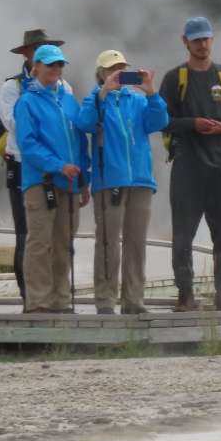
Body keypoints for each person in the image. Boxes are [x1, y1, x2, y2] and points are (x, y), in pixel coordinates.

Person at [159, 17, 221, 311]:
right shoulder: (174, 79)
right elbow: (163, 121)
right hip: (187, 165)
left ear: (213, 39)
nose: (202, 44)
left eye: (206, 39)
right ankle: (185, 295)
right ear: (185, 41)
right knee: (183, 235)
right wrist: (193, 123)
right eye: (196, 40)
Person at [76, 51, 169, 315]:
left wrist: (152, 92)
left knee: (136, 243)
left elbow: (160, 121)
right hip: (110, 180)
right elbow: (85, 123)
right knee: (107, 242)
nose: (118, 74)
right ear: (101, 74)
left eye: (121, 69)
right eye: (112, 69)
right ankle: (105, 301)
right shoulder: (94, 98)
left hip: (140, 179)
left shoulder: (138, 100)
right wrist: (102, 93)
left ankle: (133, 301)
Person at [0, 29, 75, 304]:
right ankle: (30, 297)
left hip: (61, 170)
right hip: (24, 166)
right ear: (28, 54)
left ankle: (55, 297)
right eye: (38, 50)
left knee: (60, 238)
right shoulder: (13, 87)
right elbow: (13, 126)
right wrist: (47, 129)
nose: (51, 62)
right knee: (28, 234)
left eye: (49, 50)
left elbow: (72, 127)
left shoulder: (64, 88)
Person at [14, 45, 90, 313]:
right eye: (50, 65)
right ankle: (38, 302)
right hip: (41, 182)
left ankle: (60, 300)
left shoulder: (69, 101)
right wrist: (59, 166)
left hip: (70, 183)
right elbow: (28, 144)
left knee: (63, 244)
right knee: (39, 243)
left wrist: (85, 179)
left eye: (60, 65)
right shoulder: (26, 101)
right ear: (36, 67)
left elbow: (81, 141)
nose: (56, 70)